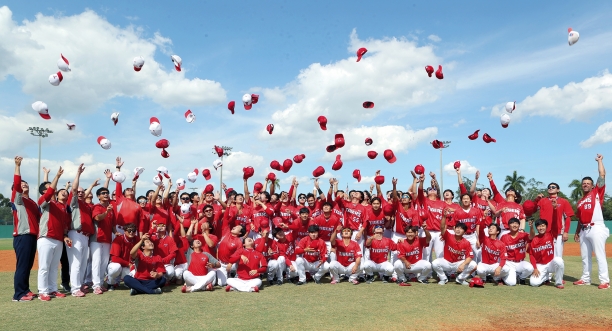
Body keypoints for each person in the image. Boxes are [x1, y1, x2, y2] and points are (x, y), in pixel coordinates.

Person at [574, 154, 609, 289]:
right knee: (585, 256)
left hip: (596, 227)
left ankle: (605, 281)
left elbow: (602, 174)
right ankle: (586, 278)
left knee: (600, 255)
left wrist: (599, 161)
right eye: (584, 184)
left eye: (588, 183)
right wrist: (577, 232)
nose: (586, 185)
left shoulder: (596, 193)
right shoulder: (580, 201)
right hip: (584, 229)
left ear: (592, 185)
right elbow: (579, 218)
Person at [37, 166, 70, 301]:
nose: (53, 187)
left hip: (58, 239)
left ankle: (53, 289)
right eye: (50, 187)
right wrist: (57, 176)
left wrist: (65, 236)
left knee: (54, 267)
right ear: (44, 192)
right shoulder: (44, 202)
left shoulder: (61, 205)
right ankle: (42, 292)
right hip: (46, 238)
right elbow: (50, 191)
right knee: (44, 267)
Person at [67, 164, 98, 297]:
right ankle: (74, 289)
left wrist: (91, 186)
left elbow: (84, 192)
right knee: (76, 262)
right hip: (75, 233)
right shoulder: (74, 203)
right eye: (78, 192)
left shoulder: (85, 205)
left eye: (82, 192)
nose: (80, 193)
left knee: (83, 263)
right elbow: (74, 189)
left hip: (85, 236)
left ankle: (79, 286)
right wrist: (78, 174)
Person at [431, 208, 476, 285]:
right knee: (435, 263)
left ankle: (460, 279)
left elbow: (470, 256)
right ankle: (443, 278)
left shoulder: (466, 242)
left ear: (464, 232)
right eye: (457, 228)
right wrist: (444, 217)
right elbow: (442, 228)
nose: (458, 230)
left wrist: (463, 264)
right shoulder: (449, 236)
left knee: (474, 265)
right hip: (447, 262)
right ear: (454, 229)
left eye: (461, 229)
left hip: (458, 263)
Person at [91, 186, 116, 295]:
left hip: (107, 239)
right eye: (103, 193)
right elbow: (97, 218)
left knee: (104, 263)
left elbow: (113, 225)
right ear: (98, 196)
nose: (105, 194)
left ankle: (100, 283)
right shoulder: (97, 206)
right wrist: (106, 212)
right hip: (96, 239)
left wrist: (116, 232)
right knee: (96, 262)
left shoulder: (111, 209)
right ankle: (96, 285)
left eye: (107, 192)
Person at [528, 219, 565, 289]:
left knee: (559, 260)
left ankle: (559, 282)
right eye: (539, 226)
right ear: (536, 228)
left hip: (550, 264)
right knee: (533, 283)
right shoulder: (534, 240)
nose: (541, 228)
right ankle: (545, 277)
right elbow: (531, 255)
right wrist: (535, 268)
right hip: (540, 265)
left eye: (543, 226)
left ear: (546, 226)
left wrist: (555, 209)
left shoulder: (550, 234)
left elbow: (555, 223)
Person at [499, 218, 534, 285]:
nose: (514, 225)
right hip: (509, 263)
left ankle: (521, 278)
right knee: (512, 283)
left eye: (516, 223)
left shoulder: (523, 235)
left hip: (520, 262)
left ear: (519, 225)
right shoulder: (504, 237)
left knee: (530, 268)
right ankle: (503, 277)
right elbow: (501, 251)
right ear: (509, 226)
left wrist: (531, 227)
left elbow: (531, 236)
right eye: (512, 223)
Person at [106, 222, 138, 290]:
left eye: (134, 230)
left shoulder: (137, 240)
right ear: (124, 231)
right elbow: (114, 258)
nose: (131, 232)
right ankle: (110, 283)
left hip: (128, 266)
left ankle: (125, 282)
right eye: (129, 230)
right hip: (119, 265)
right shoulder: (118, 239)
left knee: (138, 272)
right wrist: (128, 264)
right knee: (115, 268)